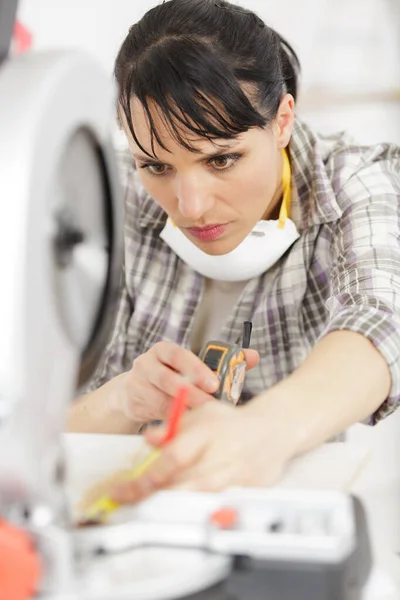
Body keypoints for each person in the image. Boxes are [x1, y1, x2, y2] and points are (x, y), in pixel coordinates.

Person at [67, 0, 400, 502]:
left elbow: (380, 318)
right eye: (157, 166)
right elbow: (36, 432)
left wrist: (263, 431)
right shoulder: (106, 193)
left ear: (282, 120)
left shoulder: (351, 180)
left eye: (222, 158)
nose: (191, 205)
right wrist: (124, 398)